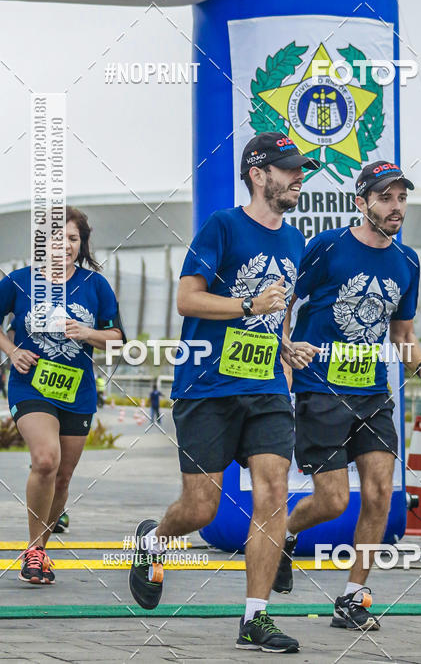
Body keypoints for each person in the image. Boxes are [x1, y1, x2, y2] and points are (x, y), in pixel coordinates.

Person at [128, 132, 319, 654]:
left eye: (300, 169)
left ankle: (255, 618)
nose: (298, 177)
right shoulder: (222, 226)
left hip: (265, 390)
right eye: (289, 170)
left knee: (274, 491)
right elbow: (188, 300)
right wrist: (247, 306)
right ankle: (152, 540)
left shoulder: (296, 241)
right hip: (207, 387)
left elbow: (276, 312)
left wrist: (285, 346)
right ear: (259, 175)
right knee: (201, 508)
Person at [273, 160, 421, 631]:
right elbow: (286, 300)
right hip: (320, 388)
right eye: (386, 198)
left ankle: (352, 597)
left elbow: (402, 330)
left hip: (372, 392)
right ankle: (285, 533)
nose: (396, 207)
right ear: (361, 202)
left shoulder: (407, 260)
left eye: (402, 198)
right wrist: (284, 350)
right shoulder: (327, 247)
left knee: (379, 494)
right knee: (333, 501)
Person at [0, 206, 125, 586]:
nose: (66, 246)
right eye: (57, 239)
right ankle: (33, 547)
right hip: (31, 384)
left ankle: (39, 550)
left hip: (78, 391)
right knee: (45, 460)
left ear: (81, 244)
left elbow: (117, 339)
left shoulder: (96, 286)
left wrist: (87, 333)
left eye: (73, 239)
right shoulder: (20, 281)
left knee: (62, 477)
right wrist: (11, 351)